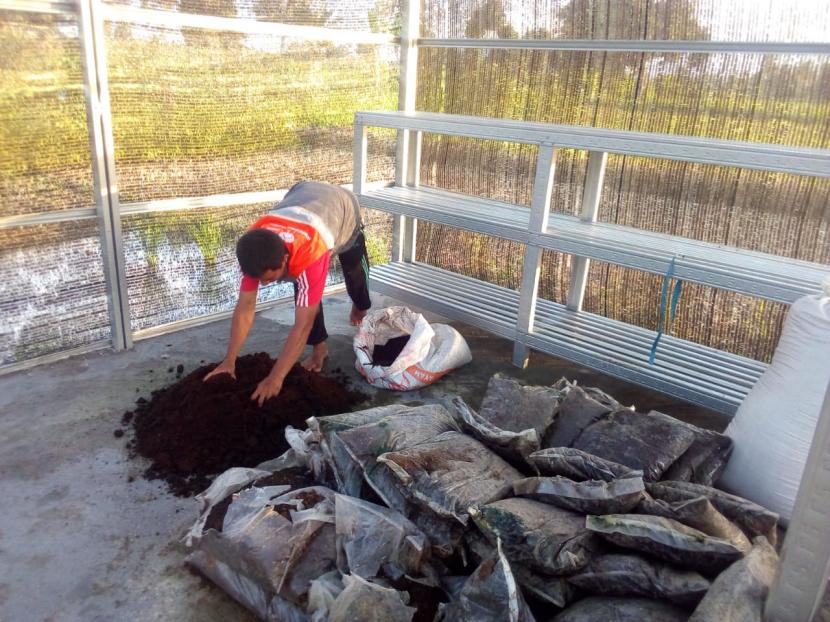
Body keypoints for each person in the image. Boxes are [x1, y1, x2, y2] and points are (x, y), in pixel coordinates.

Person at [203, 181, 371, 405]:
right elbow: (245, 309)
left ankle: (361, 306)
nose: (263, 284)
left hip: (342, 208)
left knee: (354, 270)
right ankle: (319, 348)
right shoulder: (254, 250)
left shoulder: (311, 254)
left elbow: (302, 325)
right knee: (303, 292)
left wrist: (276, 378)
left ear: (284, 259)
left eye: (269, 279)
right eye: (259, 279)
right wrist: (229, 361)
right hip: (302, 194)